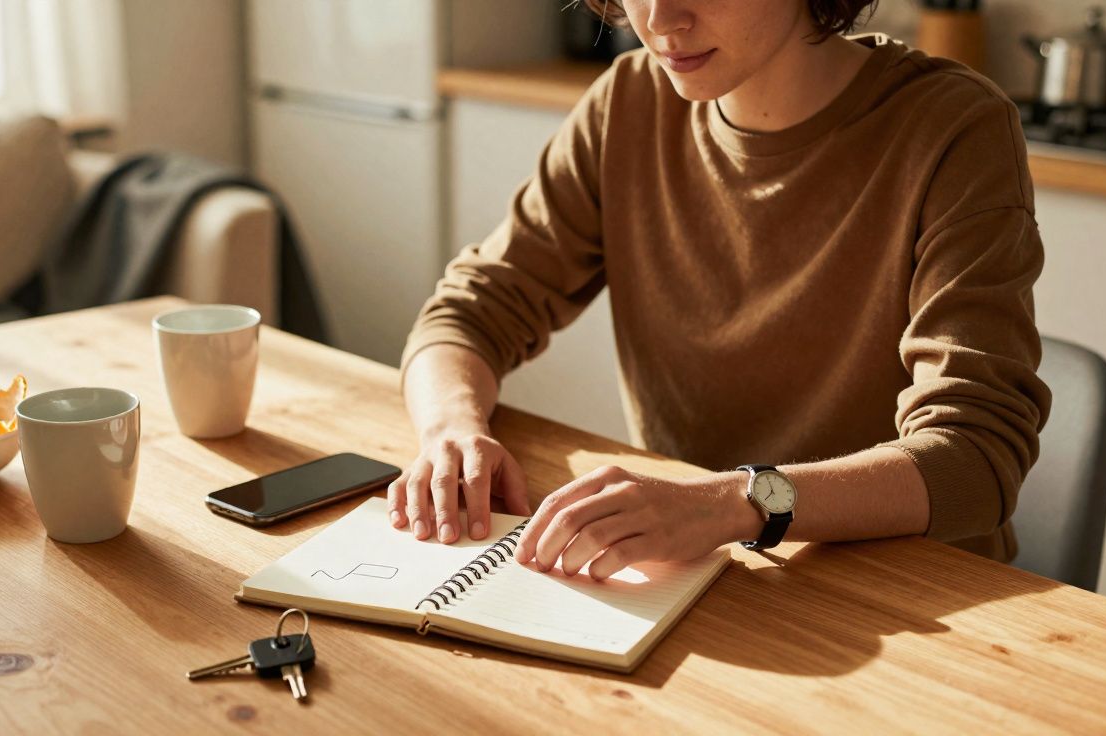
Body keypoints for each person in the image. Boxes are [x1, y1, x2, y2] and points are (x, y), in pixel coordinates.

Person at [387, 0, 1050, 580]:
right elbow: (470, 308)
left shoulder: (954, 129)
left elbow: (974, 458)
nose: (659, 20)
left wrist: (736, 504)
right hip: (702, 577)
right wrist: (450, 428)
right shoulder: (628, 103)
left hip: (912, 595)